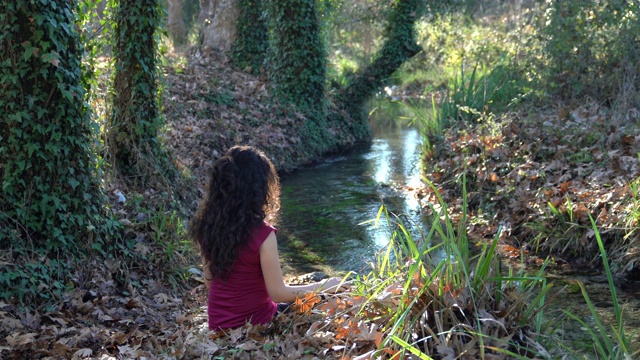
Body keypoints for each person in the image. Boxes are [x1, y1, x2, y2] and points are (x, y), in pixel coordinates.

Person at [189, 145, 346, 331]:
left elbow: (209, 283)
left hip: (217, 325)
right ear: (259, 190)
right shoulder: (263, 235)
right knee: (326, 294)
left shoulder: (206, 226)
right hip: (256, 324)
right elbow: (278, 293)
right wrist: (324, 286)